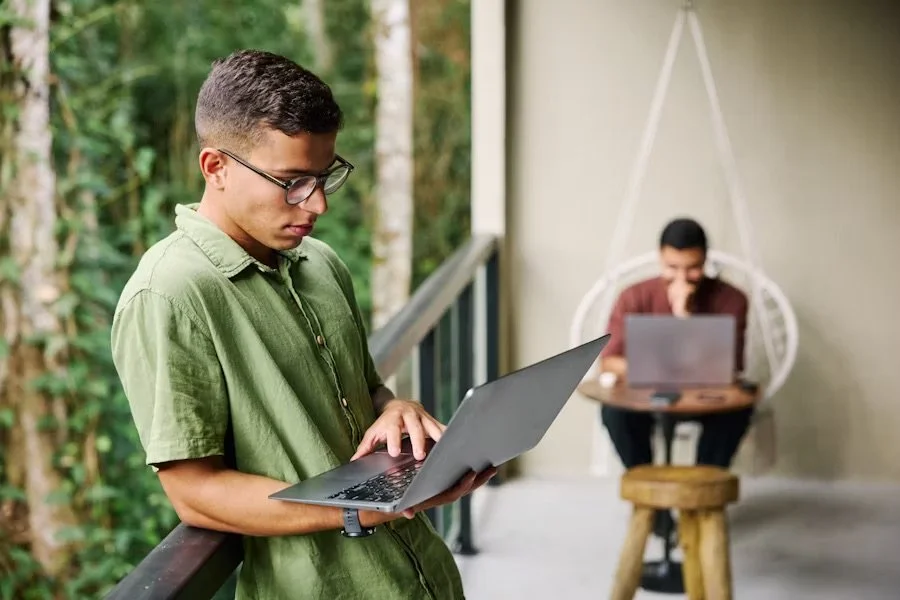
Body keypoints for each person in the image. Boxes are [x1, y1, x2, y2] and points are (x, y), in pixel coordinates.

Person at [110, 49, 493, 600]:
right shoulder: (169, 293)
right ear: (215, 167)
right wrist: (363, 507)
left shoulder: (321, 262)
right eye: (291, 181)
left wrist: (395, 407)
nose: (316, 206)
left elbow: (365, 392)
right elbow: (194, 493)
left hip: (421, 574)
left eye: (323, 176)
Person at [598, 217, 754, 470]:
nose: (682, 278)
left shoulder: (732, 299)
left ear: (705, 260)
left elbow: (730, 369)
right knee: (614, 413)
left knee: (737, 413)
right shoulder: (633, 296)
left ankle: (702, 494)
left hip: (706, 400)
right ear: (660, 258)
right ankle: (647, 490)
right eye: (672, 267)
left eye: (692, 268)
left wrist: (685, 317)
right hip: (645, 398)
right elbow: (608, 362)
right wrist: (667, 369)